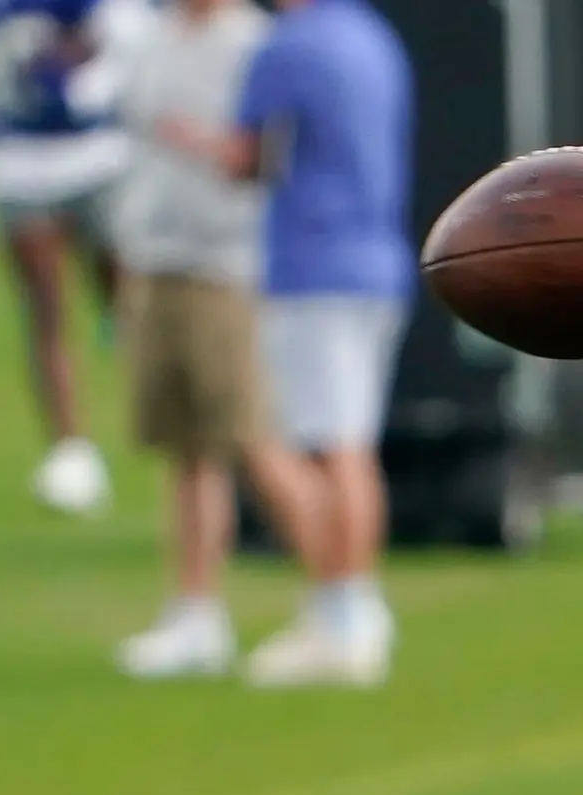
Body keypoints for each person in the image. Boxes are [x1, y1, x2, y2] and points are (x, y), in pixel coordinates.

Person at [190, 0, 411, 688]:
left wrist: (177, 138)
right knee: (351, 443)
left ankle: (344, 610)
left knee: (328, 444)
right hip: (379, 258)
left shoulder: (287, 47)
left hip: (314, 265)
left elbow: (244, 157)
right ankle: (348, 606)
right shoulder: (373, 36)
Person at [106, 0, 270, 678]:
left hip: (221, 265)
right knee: (185, 449)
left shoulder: (253, 45)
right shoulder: (152, 37)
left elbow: (257, 154)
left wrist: (197, 141)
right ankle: (196, 610)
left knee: (250, 441)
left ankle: (341, 597)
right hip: (154, 257)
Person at [0, 0, 141, 517]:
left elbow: (114, 38)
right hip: (20, 164)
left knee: (132, 304)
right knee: (48, 308)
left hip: (98, 156)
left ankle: (180, 427)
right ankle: (71, 449)